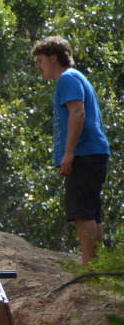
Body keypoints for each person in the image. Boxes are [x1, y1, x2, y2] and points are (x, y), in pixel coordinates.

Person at [31, 36, 111, 268]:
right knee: (90, 211)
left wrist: (69, 153)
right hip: (91, 152)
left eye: (41, 60)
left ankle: (89, 269)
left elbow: (77, 113)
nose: (39, 67)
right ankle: (94, 268)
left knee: (82, 211)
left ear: (54, 58)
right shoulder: (75, 78)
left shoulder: (67, 78)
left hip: (84, 153)